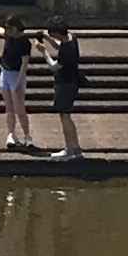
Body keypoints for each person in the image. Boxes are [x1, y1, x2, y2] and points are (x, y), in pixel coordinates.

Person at [0, 13, 34, 151]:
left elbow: (24, 63)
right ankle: (11, 134)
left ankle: (27, 136)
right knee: (9, 108)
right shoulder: (8, 36)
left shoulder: (24, 42)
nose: (7, 31)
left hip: (16, 75)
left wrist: (19, 81)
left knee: (19, 109)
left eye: (9, 28)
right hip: (5, 72)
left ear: (15, 28)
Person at [46, 17, 85, 162]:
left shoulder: (66, 51)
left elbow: (54, 66)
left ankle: (70, 149)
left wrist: (43, 52)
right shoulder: (71, 38)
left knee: (65, 116)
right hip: (72, 81)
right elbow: (60, 45)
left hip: (65, 83)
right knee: (66, 115)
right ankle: (75, 148)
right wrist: (49, 40)